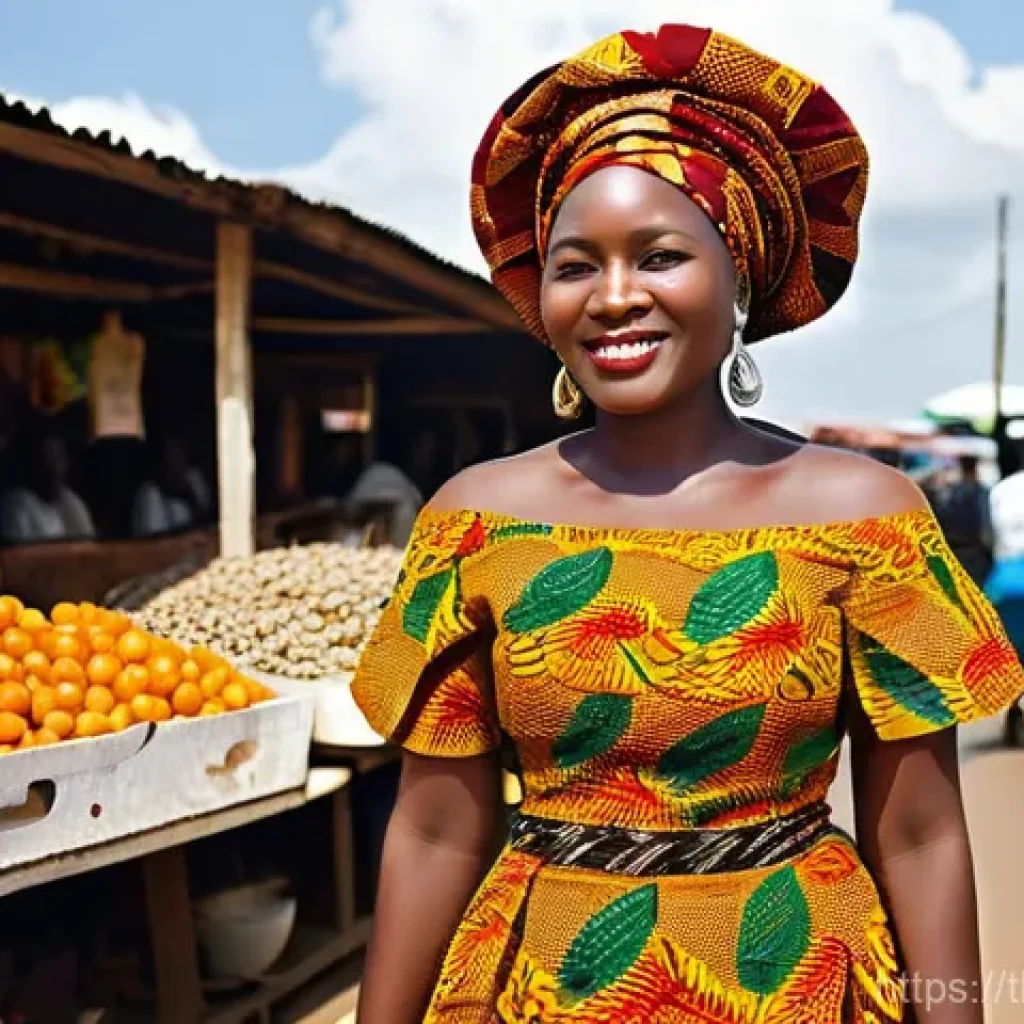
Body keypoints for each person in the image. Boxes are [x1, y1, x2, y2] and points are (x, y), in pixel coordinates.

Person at [350, 25, 1024, 1023]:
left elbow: (920, 834)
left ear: (740, 277)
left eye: (659, 256)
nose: (615, 296)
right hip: (543, 989)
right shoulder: (475, 522)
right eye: (576, 266)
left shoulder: (865, 515)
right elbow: (436, 833)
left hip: (795, 982)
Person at [0, 431, 95, 545]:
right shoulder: (15, 504)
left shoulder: (70, 499)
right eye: (48, 459)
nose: (55, 467)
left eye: (58, 459)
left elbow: (88, 542)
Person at [130, 436, 212, 538]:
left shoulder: (194, 477)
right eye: (171, 453)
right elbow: (154, 539)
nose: (177, 458)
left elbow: (207, 517)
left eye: (179, 452)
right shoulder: (150, 492)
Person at [932, 454, 993, 587]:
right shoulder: (983, 492)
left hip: (954, 554)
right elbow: (986, 531)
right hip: (977, 555)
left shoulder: (951, 494)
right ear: (976, 468)